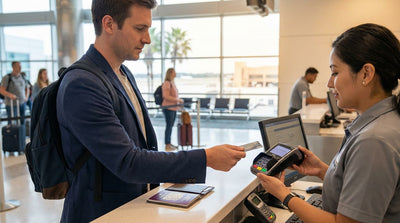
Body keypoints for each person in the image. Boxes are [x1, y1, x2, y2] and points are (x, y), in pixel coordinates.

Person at [56, 0, 246, 222]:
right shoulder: (82, 84)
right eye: (139, 28)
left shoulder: (123, 73)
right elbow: (128, 161)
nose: (147, 39)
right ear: (109, 24)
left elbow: (142, 146)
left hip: (132, 207)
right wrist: (206, 158)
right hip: (100, 214)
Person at [258, 23, 400, 223]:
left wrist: (284, 195)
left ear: (366, 74)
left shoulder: (374, 140)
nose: (329, 83)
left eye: (335, 72)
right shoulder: (380, 123)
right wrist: (323, 170)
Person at [161, 67, 183, 151]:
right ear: (170, 73)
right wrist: (178, 100)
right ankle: (167, 144)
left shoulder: (172, 83)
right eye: (174, 72)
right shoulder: (167, 83)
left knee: (170, 126)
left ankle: (169, 143)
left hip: (173, 108)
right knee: (169, 126)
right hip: (168, 108)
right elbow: (166, 96)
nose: (175, 73)